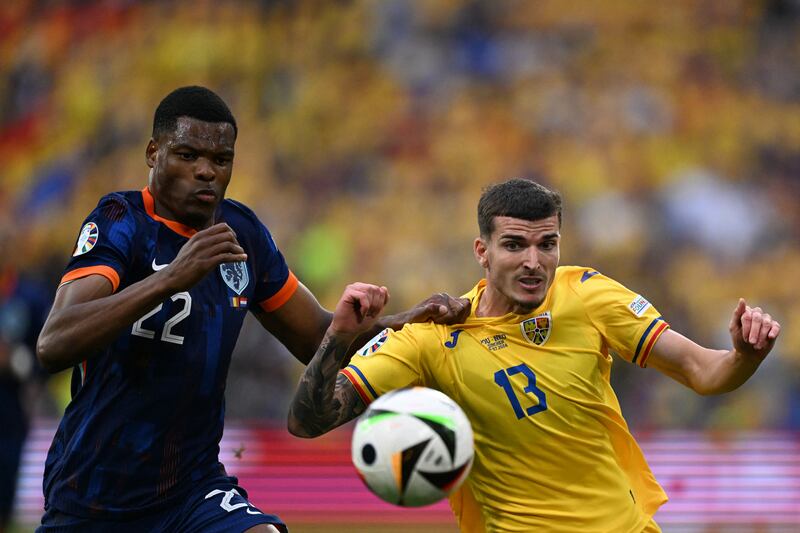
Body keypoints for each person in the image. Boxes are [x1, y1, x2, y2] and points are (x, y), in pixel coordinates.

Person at [34, 86, 466, 533]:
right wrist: (170, 278)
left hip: (191, 491)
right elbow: (54, 343)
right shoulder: (119, 220)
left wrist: (400, 323)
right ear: (153, 153)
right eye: (187, 155)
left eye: (221, 160)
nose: (206, 171)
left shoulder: (242, 233)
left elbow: (313, 340)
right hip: (93, 493)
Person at [287, 178, 782, 533]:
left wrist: (745, 355)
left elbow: (702, 370)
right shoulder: (430, 339)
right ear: (482, 251)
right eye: (514, 245)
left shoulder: (586, 294)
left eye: (548, 244)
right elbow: (309, 421)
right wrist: (339, 337)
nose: (534, 262)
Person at [0, 221, 52, 533]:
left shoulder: (30, 297)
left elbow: (48, 351)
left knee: (4, 483)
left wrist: (17, 363)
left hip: (11, 405)